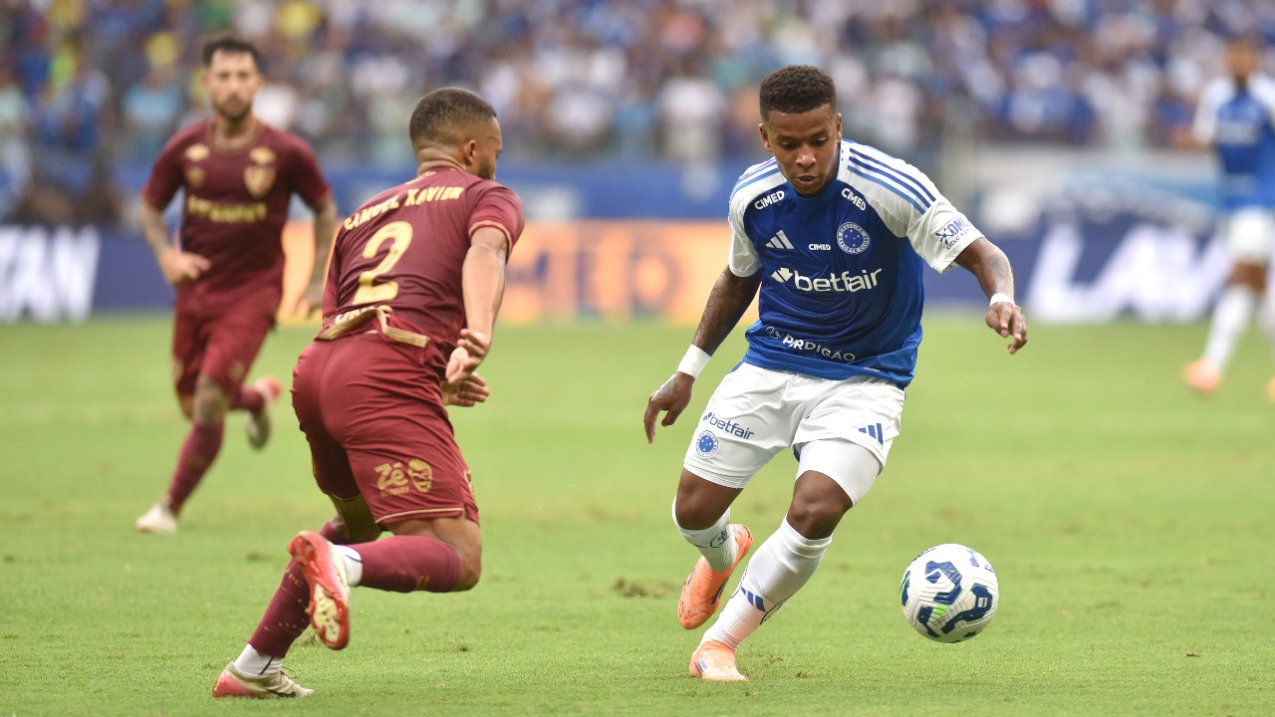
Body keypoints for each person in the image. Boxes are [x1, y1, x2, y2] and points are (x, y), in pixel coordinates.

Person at [643, 65, 1028, 682]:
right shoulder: (751, 196)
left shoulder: (891, 186)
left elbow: (984, 253)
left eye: (819, 140)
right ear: (766, 138)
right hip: (771, 366)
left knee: (816, 508)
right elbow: (739, 277)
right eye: (789, 144)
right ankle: (722, 552)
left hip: (867, 381)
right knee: (692, 511)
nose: (806, 158)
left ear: (839, 127)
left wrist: (1000, 297)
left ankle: (718, 646)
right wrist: (687, 371)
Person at [212, 87, 524, 698]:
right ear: (470, 148)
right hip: (384, 377)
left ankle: (253, 666)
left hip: (321, 370)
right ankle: (342, 568)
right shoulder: (486, 195)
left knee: (355, 520)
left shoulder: (363, 214)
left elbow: (348, 314)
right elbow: (486, 250)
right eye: (494, 151)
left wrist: (433, 371)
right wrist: (475, 333)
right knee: (457, 554)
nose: (496, 163)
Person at [134, 36, 338, 535]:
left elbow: (325, 210)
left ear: (259, 83)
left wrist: (314, 281)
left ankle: (168, 508)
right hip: (196, 291)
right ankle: (253, 398)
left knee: (207, 399)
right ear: (206, 82)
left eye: (243, 76)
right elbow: (149, 208)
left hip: (253, 294)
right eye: (223, 76)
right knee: (195, 405)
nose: (233, 86)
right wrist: (168, 255)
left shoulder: (286, 151)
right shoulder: (185, 147)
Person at [1182, 37, 1275, 399]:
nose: (1238, 62)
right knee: (1253, 285)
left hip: (1262, 201)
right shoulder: (1216, 97)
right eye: (1233, 56)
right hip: (1233, 203)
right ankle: (1211, 367)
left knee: (1242, 276)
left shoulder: (1266, 96)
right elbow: (1207, 139)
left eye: (1245, 57)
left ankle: (1210, 367)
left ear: (1253, 61)